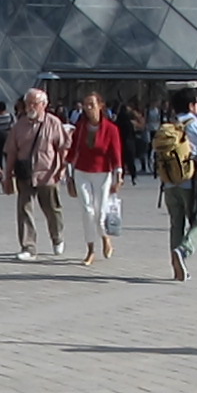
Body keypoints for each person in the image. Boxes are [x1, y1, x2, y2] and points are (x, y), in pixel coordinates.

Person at [157, 89, 197, 281]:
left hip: (169, 182)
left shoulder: (167, 127)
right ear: (192, 105)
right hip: (191, 181)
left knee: (176, 224)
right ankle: (183, 251)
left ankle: (177, 267)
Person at [2, 88, 67, 261]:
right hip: (25, 174)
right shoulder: (19, 126)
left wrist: (61, 169)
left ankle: (57, 237)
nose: (30, 106)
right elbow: (11, 152)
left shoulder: (54, 123)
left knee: (52, 209)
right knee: (24, 210)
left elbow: (62, 149)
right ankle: (28, 247)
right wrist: (7, 176)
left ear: (44, 105)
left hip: (48, 174)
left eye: (34, 103)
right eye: (28, 103)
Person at [65, 92, 121, 266]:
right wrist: (68, 176)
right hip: (82, 172)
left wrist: (118, 176)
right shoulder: (80, 127)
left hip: (103, 173)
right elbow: (72, 152)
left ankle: (105, 238)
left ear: (100, 106)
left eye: (91, 105)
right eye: (85, 105)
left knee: (100, 212)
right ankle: (90, 249)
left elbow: (115, 153)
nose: (88, 108)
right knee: (87, 211)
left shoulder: (111, 129)